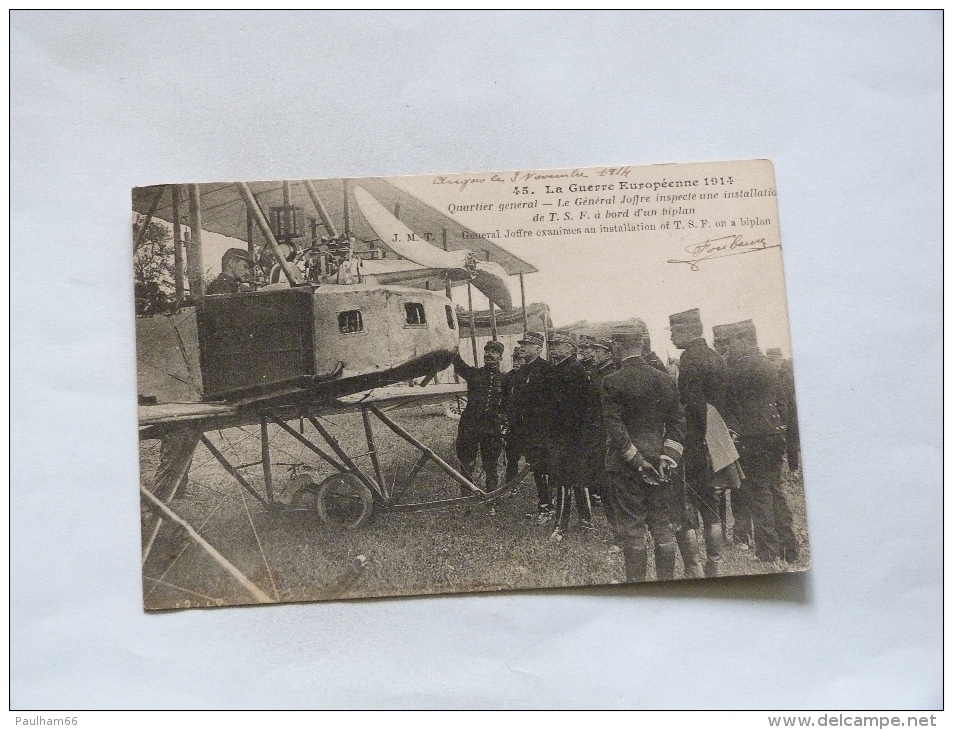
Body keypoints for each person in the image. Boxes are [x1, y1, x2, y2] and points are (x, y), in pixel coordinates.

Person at [602, 322, 686, 582]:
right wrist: (667, 459)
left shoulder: (611, 381)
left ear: (616, 345)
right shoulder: (665, 379)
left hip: (626, 465)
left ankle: (636, 588)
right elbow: (678, 424)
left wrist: (636, 461)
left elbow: (615, 428)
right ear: (640, 344)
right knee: (662, 524)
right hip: (661, 461)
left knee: (632, 526)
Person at [725, 321, 800, 565]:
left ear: (744, 340)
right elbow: (780, 403)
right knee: (776, 489)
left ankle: (768, 552)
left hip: (753, 438)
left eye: (733, 342)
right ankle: (790, 548)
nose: (730, 347)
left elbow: (730, 401)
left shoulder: (740, 368)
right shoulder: (769, 365)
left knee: (760, 494)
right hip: (773, 434)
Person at [670, 308, 730, 577]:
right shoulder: (716, 357)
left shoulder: (689, 358)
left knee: (687, 506)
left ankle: (694, 568)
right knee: (712, 505)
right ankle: (716, 563)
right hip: (717, 441)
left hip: (695, 443)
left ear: (689, 331)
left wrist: (685, 440)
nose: (672, 337)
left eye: (674, 331)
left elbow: (693, 407)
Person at [547, 332, 600, 540]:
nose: (553, 348)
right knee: (577, 479)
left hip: (568, 434)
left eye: (558, 345)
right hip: (569, 434)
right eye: (552, 345)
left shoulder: (572, 371)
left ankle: (561, 525)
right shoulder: (562, 369)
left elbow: (572, 407)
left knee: (563, 480)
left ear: (570, 349)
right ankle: (585, 522)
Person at [506, 332, 554, 522]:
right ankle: (544, 505)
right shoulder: (523, 372)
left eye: (527, 344)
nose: (522, 347)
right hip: (526, 431)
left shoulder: (547, 370)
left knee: (544, 469)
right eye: (522, 344)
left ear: (538, 349)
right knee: (536, 468)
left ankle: (548, 508)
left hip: (542, 430)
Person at [451, 341, 507, 498]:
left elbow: (508, 404)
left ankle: (491, 498)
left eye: (494, 352)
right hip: (470, 426)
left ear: (500, 357)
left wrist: (503, 423)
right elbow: (458, 363)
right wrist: (453, 347)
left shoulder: (504, 379)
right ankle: (466, 498)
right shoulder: (474, 373)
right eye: (487, 351)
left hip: (491, 428)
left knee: (491, 465)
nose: (489, 354)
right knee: (467, 463)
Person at [579, 337, 618, 508]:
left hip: (606, 427)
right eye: (592, 350)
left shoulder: (612, 373)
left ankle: (610, 499)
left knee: (605, 467)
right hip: (594, 426)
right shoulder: (596, 371)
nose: (593, 354)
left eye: (597, 351)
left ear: (608, 354)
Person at [503, 346, 527, 488]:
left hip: (528, 424)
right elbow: (504, 399)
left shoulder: (529, 376)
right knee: (512, 457)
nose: (516, 362)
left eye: (520, 359)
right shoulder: (508, 377)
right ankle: (511, 486)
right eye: (515, 359)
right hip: (513, 423)